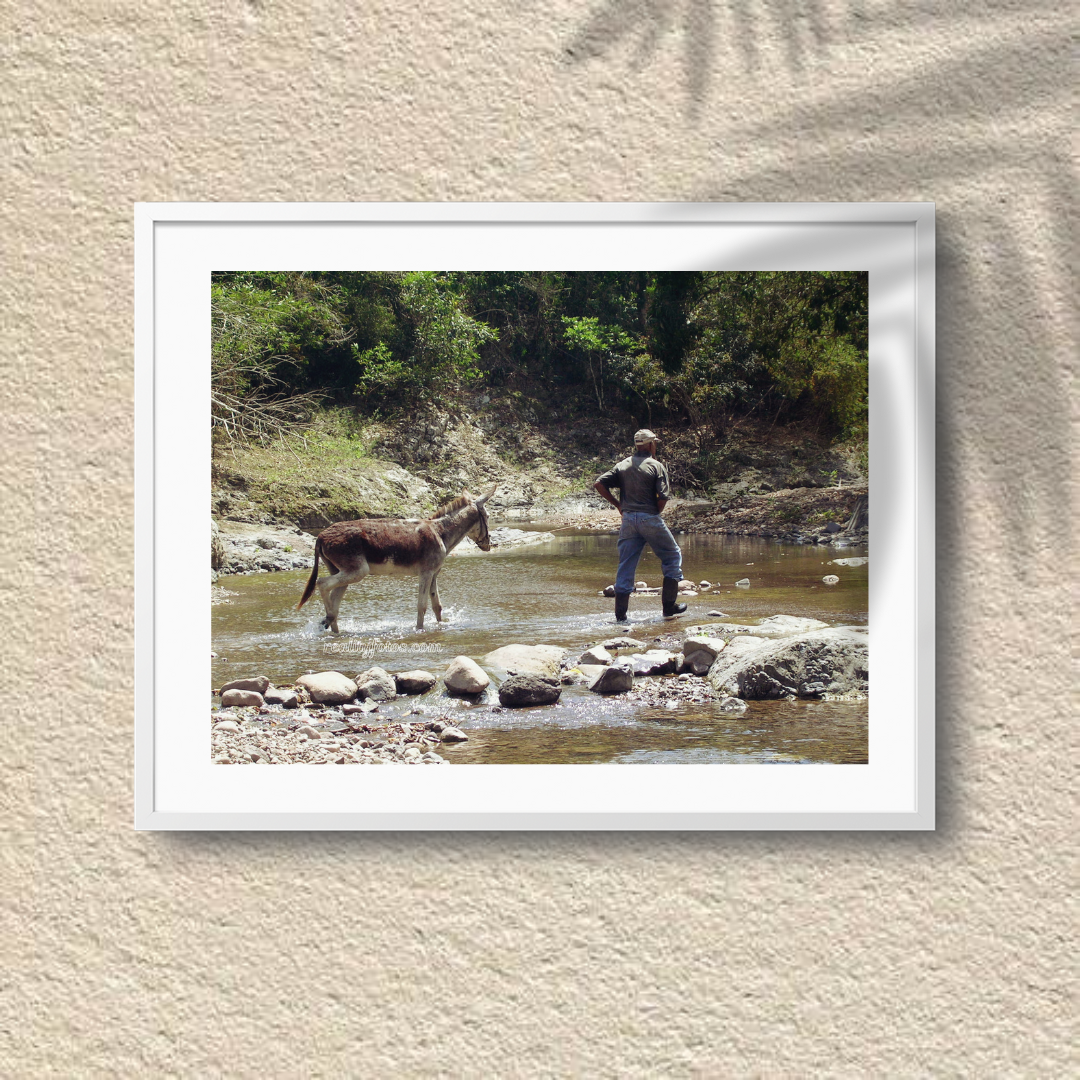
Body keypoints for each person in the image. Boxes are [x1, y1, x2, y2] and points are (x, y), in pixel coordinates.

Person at [594, 429, 687, 622]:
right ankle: (669, 608)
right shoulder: (656, 466)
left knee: (626, 564)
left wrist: (619, 505)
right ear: (651, 445)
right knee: (672, 555)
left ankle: (620, 617)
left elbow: (599, 484)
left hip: (628, 520)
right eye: (655, 444)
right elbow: (662, 497)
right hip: (649, 517)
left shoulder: (622, 465)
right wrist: (655, 513)